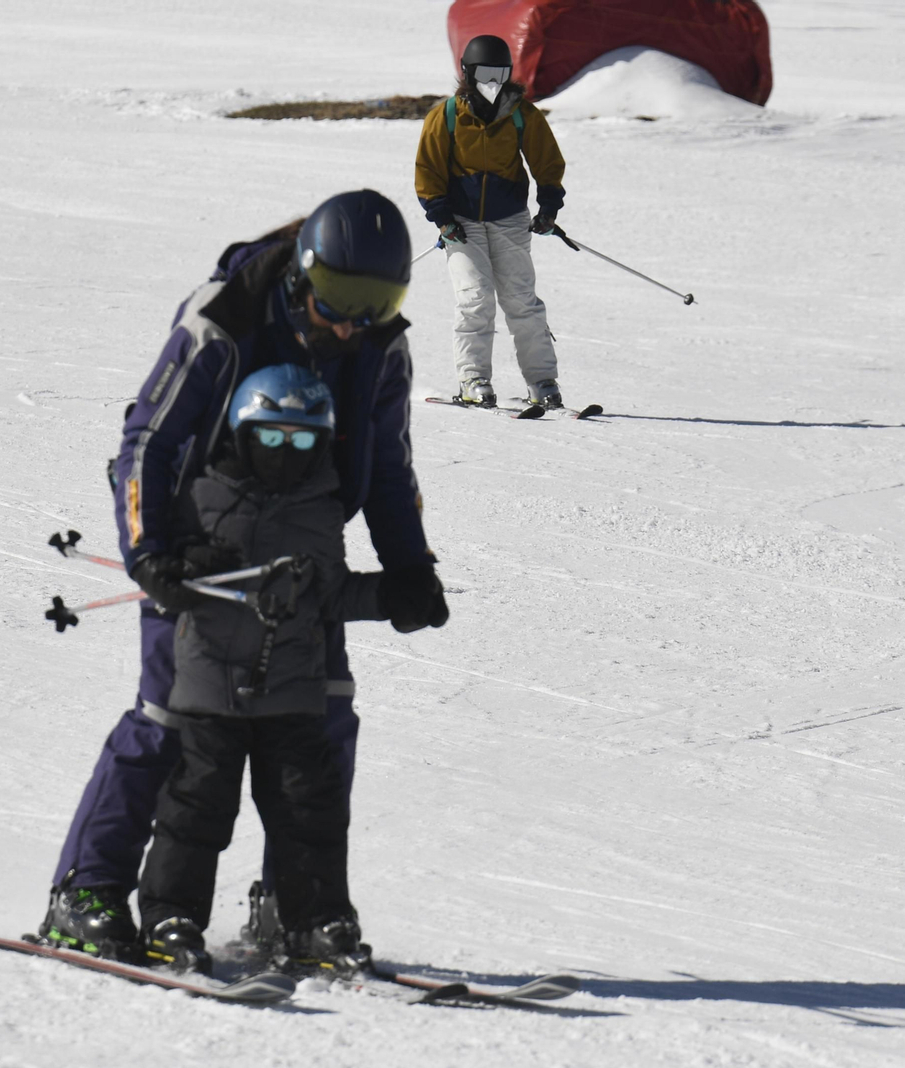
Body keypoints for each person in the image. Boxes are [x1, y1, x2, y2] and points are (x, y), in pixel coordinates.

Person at [39, 189, 450, 968]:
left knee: (322, 721)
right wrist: (151, 554)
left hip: (304, 544)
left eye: (377, 303)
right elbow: (147, 443)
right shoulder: (223, 321)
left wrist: (410, 570)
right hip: (199, 546)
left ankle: (294, 903)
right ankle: (84, 893)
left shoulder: (380, 347)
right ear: (304, 274)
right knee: (170, 718)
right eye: (339, 300)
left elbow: (388, 467)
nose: (350, 323)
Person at [135, 364, 399, 977]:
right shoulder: (203, 491)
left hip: (291, 692)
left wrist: (392, 598)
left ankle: (314, 923)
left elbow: (329, 597)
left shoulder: (319, 506)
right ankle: (170, 919)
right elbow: (154, 544)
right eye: (272, 438)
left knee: (310, 811)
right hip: (211, 688)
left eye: (302, 441)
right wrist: (181, 565)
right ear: (242, 433)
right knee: (197, 808)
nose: (286, 453)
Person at [414, 33, 569, 411]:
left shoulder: (520, 114)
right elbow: (428, 170)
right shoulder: (446, 115)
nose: (492, 82)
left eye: (499, 73)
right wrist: (442, 218)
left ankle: (542, 381)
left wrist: (548, 206)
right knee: (475, 299)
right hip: (461, 224)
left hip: (509, 220)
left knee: (522, 302)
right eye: (484, 73)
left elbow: (547, 161)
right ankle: (474, 379)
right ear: (467, 73)